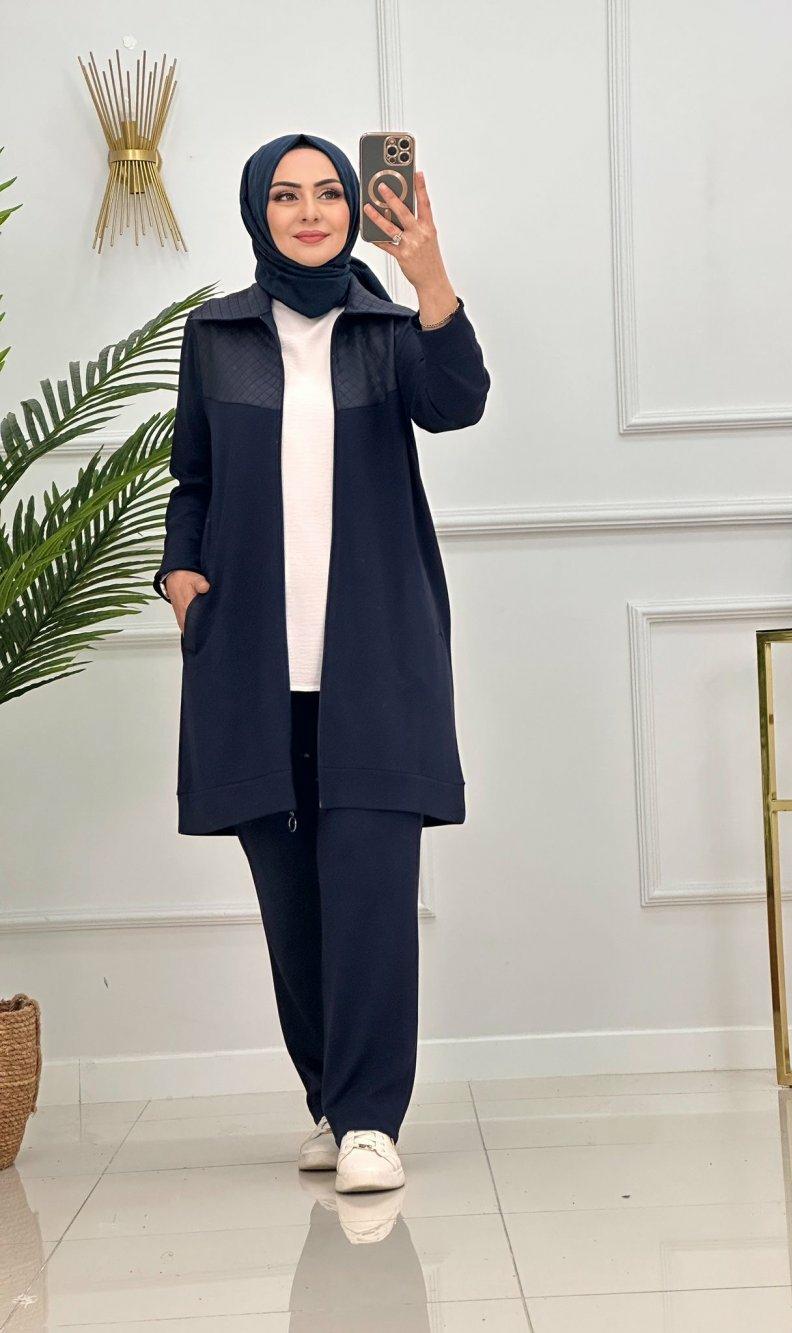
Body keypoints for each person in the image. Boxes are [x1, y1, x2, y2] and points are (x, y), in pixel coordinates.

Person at [152, 132, 491, 1191]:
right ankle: (332, 1103)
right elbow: (194, 479)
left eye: (330, 193)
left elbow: (458, 400)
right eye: (287, 195)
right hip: (251, 657)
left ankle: (373, 1119)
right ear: (258, 211)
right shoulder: (217, 336)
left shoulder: (390, 329)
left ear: (355, 209)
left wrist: (428, 274)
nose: (310, 212)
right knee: (291, 905)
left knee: (372, 892)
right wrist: (179, 574)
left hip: (375, 658)